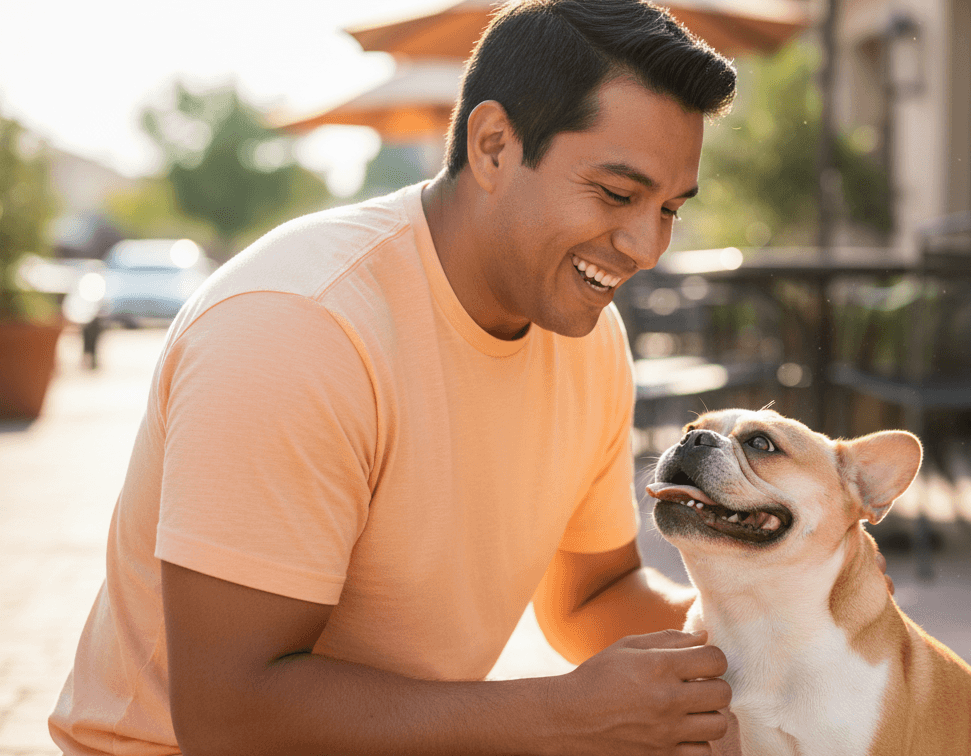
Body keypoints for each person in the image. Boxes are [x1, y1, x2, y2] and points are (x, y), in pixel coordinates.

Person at [49, 1, 741, 754]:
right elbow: (228, 716)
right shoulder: (297, 329)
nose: (646, 247)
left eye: (669, 207)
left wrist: (785, 628)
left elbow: (589, 596)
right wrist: (563, 716)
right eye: (616, 194)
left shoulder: (587, 335)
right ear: (494, 145)